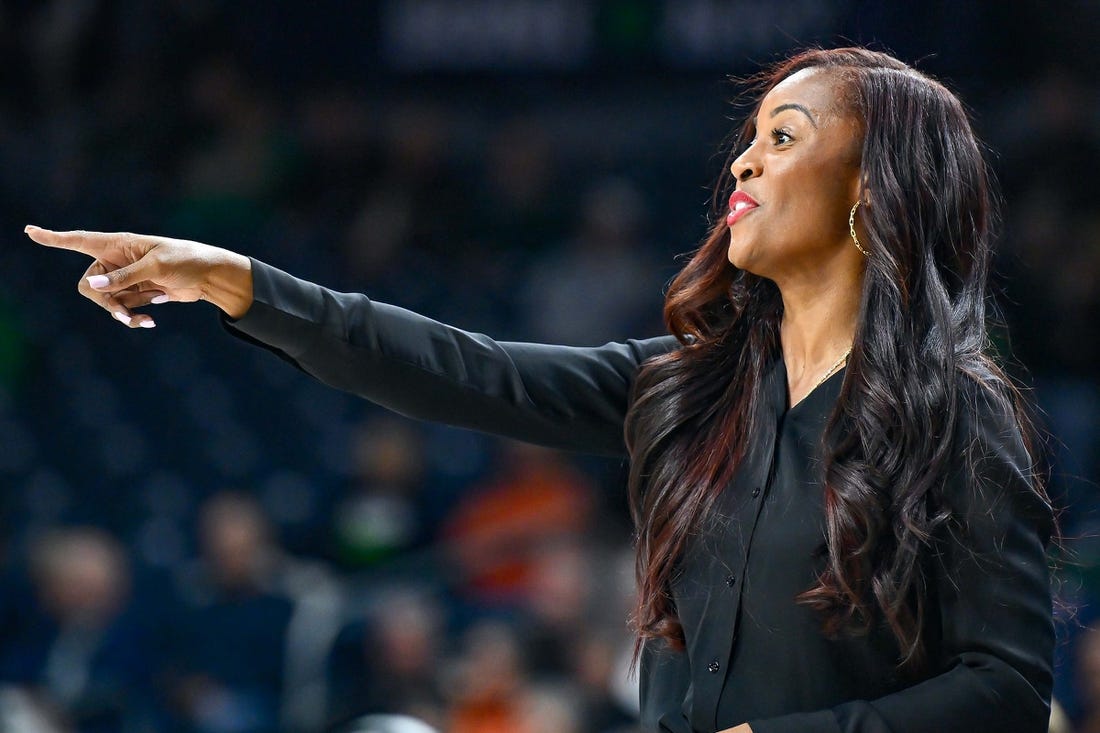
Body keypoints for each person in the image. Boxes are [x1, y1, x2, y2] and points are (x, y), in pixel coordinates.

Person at [26, 47, 1055, 733]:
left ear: (873, 186)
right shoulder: (677, 389)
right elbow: (454, 367)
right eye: (748, 137)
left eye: (782, 139)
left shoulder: (954, 416)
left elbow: (1005, 687)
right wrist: (232, 280)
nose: (743, 158)